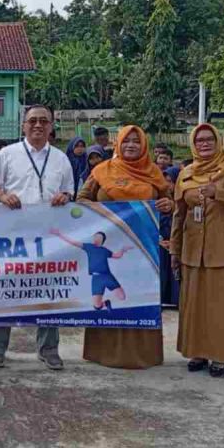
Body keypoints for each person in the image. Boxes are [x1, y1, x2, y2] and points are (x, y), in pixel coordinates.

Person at [77, 125, 174, 369]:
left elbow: (170, 201)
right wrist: (104, 214)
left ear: (144, 145)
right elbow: (81, 199)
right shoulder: (102, 170)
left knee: (138, 295)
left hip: (142, 250)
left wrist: (167, 205)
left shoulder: (154, 173)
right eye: (126, 141)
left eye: (136, 141)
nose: (131, 145)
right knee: (111, 295)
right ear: (118, 144)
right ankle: (104, 352)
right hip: (109, 247)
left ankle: (141, 354)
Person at [0, 105, 74, 370]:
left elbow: (70, 191)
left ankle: (48, 349)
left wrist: (66, 196)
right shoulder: (7, 154)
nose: (38, 125)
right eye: (32, 121)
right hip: (12, 235)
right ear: (23, 125)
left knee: (48, 291)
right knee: (4, 291)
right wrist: (2, 196)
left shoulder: (61, 158)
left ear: (51, 126)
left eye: (44, 121)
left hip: (49, 236)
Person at [170, 124, 224, 377]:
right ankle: (198, 352)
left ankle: (221, 355)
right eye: (199, 140)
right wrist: (175, 249)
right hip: (194, 249)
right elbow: (178, 215)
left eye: (209, 139)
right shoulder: (186, 173)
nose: (204, 144)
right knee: (196, 305)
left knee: (222, 305)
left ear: (218, 141)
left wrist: (219, 193)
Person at [50, 229, 133, 311]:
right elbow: (74, 242)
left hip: (107, 276)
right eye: (95, 237)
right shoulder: (89, 247)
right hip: (96, 279)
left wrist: (123, 250)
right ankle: (106, 303)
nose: (96, 238)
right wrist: (59, 235)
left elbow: (116, 255)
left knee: (122, 297)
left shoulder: (104, 250)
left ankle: (111, 298)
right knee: (97, 307)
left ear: (102, 240)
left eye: (98, 237)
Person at [159, 166, 181, 307]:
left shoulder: (184, 201)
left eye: (171, 181)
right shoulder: (159, 201)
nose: (167, 185)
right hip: (161, 243)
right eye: (165, 181)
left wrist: (175, 241)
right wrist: (160, 240)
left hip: (179, 243)